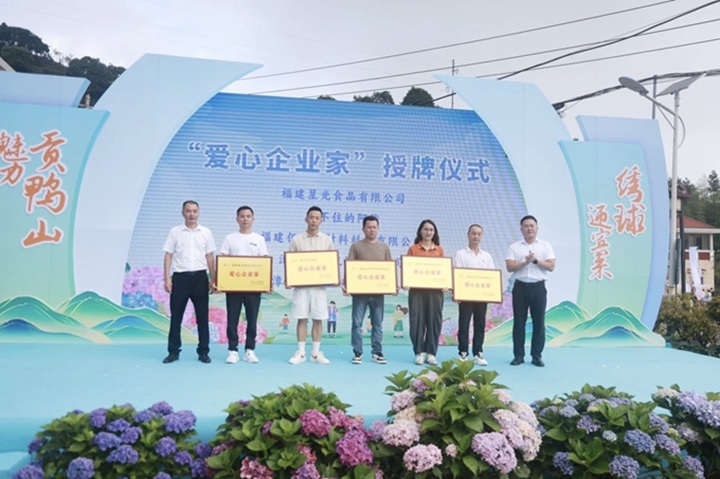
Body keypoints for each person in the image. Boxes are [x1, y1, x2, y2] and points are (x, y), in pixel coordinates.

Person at [162, 200, 216, 364]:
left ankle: (203, 351)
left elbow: (209, 256)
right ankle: (173, 352)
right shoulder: (175, 232)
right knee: (176, 317)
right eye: (188, 211)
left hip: (200, 278)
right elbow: (168, 255)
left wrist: (213, 278)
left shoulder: (206, 232)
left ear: (198, 213)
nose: (192, 214)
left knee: (202, 317)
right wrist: (167, 278)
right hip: (180, 278)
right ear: (182, 213)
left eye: (194, 211)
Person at [217, 206, 268, 365]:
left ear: (253, 219)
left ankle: (249, 350)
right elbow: (224, 261)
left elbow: (264, 262)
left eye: (248, 216)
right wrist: (220, 282)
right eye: (242, 216)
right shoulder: (230, 238)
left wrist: (266, 283)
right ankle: (232, 350)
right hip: (234, 287)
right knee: (232, 318)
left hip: (253, 287)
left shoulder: (259, 239)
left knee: (252, 319)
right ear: (237, 219)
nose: (245, 219)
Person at [505, 215, 555, 367]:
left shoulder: (545, 246)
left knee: (539, 323)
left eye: (532, 225)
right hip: (520, 287)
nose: (529, 228)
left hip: (538, 287)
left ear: (537, 228)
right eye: (526, 226)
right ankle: (518, 356)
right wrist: (525, 262)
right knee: (519, 323)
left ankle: (536, 356)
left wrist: (535, 261)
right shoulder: (514, 247)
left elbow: (551, 266)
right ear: (521, 229)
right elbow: (510, 267)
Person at [287, 206, 335, 365]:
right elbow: (291, 263)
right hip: (301, 288)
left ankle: (315, 353)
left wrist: (333, 277)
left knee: (318, 319)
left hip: (319, 288)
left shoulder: (327, 240)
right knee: (301, 319)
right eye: (311, 217)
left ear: (321, 221)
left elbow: (331, 264)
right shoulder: (297, 240)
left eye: (317, 218)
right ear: (306, 219)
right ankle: (301, 353)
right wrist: (289, 279)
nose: (314, 220)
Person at [347, 216, 393, 365]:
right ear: (363, 229)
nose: (372, 230)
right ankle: (357, 352)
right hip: (359, 294)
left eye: (374, 227)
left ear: (378, 229)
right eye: (369, 227)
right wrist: (347, 285)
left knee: (377, 324)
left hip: (378, 294)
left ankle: (377, 352)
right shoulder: (356, 246)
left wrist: (393, 285)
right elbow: (350, 268)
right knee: (357, 323)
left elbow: (389, 270)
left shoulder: (384, 247)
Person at [453, 224, 495, 366]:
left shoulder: (487, 256)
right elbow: (457, 274)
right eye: (473, 233)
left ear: (481, 236)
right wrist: (457, 293)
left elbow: (491, 277)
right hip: (466, 296)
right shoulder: (461, 254)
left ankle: (478, 353)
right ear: (468, 235)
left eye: (478, 234)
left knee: (480, 324)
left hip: (481, 297)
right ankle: (463, 352)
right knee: (464, 324)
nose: (476, 236)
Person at [406, 219, 445, 366]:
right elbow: (408, 269)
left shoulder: (439, 250)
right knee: (417, 321)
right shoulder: (413, 249)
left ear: (434, 233)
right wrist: (406, 282)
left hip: (435, 293)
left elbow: (444, 271)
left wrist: (446, 284)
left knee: (434, 321)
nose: (428, 232)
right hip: (417, 292)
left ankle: (431, 353)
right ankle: (419, 352)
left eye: (431, 230)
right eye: (426, 229)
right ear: (420, 231)